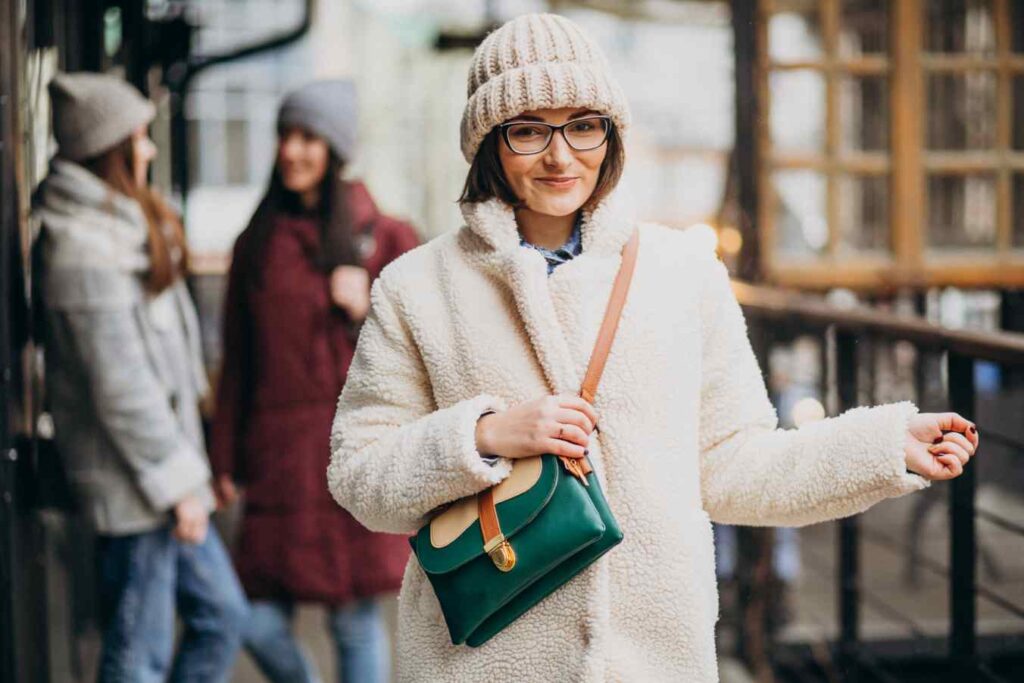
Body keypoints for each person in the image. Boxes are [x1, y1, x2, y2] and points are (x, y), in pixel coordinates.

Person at [325, 14, 981, 682]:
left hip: (654, 664)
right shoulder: (417, 286)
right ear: (489, 141)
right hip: (476, 664)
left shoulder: (683, 270)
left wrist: (881, 446)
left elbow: (736, 464)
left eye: (583, 124)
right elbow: (358, 474)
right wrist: (487, 435)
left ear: (611, 134)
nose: (560, 155)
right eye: (528, 129)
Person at [35, 72, 247, 682]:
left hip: (170, 477)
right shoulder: (83, 251)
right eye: (139, 138)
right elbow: (121, 389)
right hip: (139, 493)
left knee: (221, 617)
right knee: (137, 656)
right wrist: (181, 487)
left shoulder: (120, 225)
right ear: (111, 150)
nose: (149, 149)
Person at [209, 79, 418, 683]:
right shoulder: (257, 242)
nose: (291, 151)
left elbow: (431, 349)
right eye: (285, 135)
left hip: (355, 453)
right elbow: (238, 361)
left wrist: (366, 307)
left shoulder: (386, 236)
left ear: (334, 148)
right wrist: (223, 457)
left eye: (307, 137)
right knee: (250, 616)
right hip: (278, 461)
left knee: (354, 622)